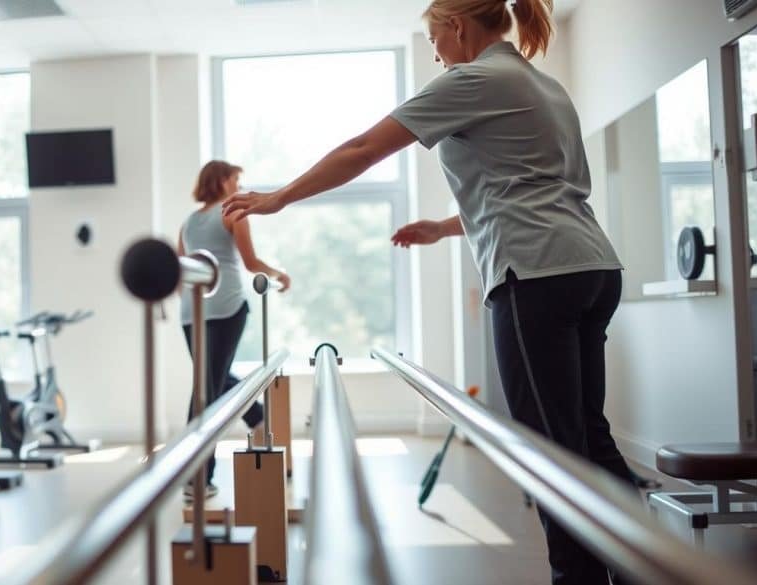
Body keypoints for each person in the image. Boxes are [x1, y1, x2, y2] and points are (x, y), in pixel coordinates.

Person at [223, 1, 634, 583]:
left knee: (551, 455)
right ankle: (642, 569)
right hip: (590, 267)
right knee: (590, 438)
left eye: (434, 42)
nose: (436, 55)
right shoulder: (544, 84)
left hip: (534, 274)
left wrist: (278, 198)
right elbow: (529, 186)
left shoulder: (473, 79)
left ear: (458, 28)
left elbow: (362, 149)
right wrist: (444, 228)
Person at [179, 160, 290, 500]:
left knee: (211, 377)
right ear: (223, 181)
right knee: (207, 389)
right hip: (226, 306)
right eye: (237, 179)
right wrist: (279, 274)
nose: (239, 186)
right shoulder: (233, 211)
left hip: (192, 309)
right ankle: (197, 478)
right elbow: (250, 262)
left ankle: (255, 417)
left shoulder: (188, 222)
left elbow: (179, 264)